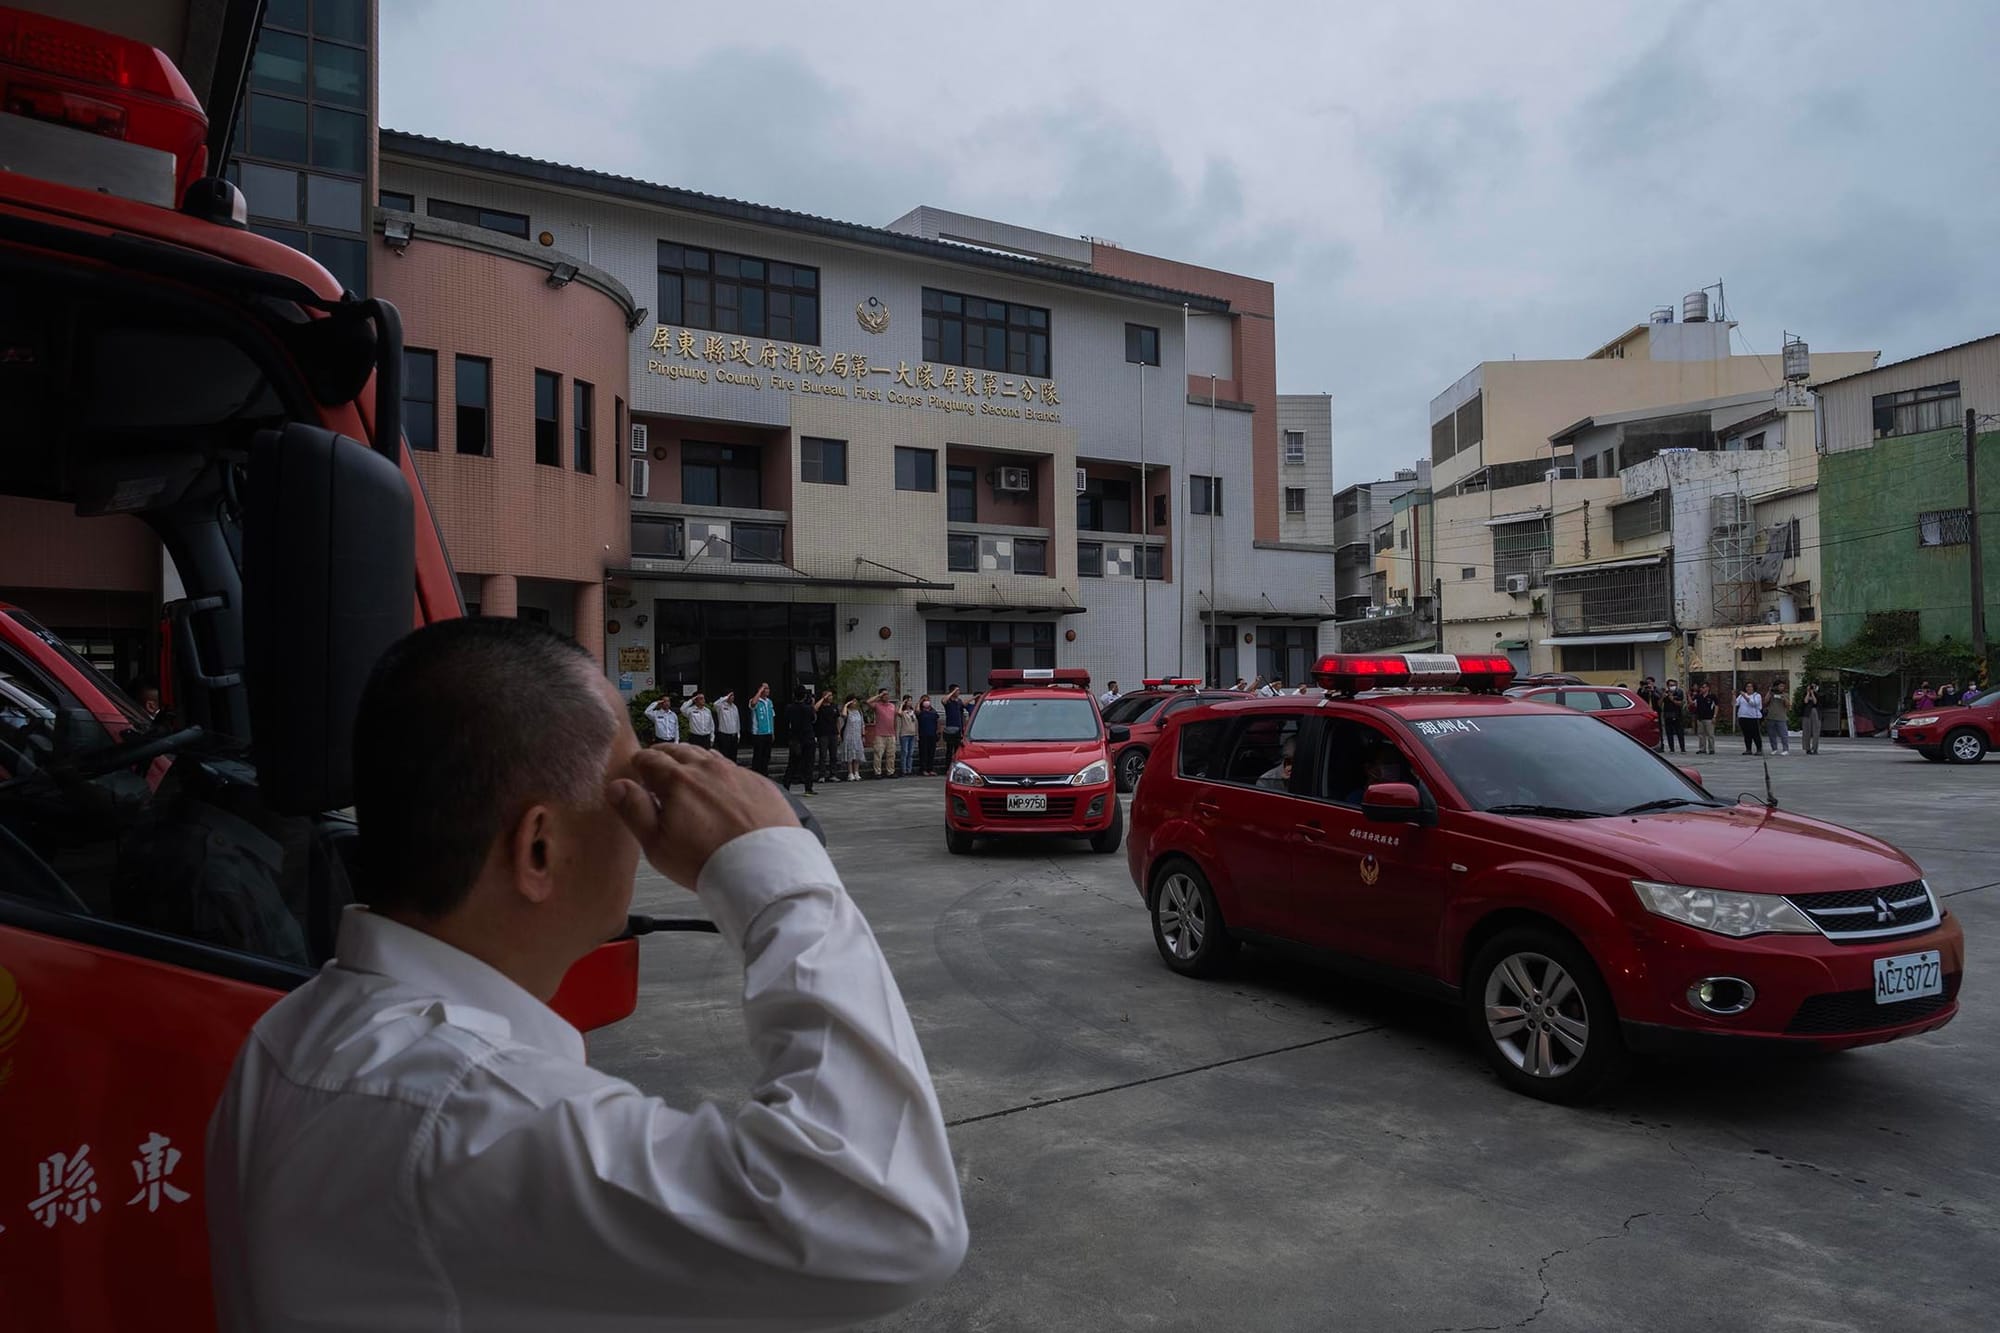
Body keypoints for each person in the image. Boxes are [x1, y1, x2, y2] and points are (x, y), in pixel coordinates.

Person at [205, 617, 965, 1332]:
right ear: (539, 847)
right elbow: (883, 1211)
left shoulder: (289, 1036)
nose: (645, 833)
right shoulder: (463, 1113)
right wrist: (780, 872)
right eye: (629, 796)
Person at [1342, 742, 1408, 804]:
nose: (1393, 767)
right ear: (1369, 768)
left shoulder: (1405, 794)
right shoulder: (1355, 799)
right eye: (1387, 763)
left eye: (1396, 763)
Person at [781, 686, 817, 795]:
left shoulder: (789, 708)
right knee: (808, 764)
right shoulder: (808, 708)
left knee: (792, 764)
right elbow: (813, 719)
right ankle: (808, 788)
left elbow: (786, 720)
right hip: (808, 737)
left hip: (795, 738)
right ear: (805, 696)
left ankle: (786, 786)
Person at [749, 683, 776, 776]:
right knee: (758, 755)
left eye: (768, 688)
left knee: (766, 756)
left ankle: (764, 774)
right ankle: (756, 774)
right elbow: (753, 704)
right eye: (765, 688)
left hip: (768, 732)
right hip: (758, 733)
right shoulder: (756, 700)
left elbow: (772, 717)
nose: (767, 690)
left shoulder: (769, 702)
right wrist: (759, 691)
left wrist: (772, 732)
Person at [869, 690, 898, 778]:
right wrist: (879, 695)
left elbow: (895, 720)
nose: (886, 696)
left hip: (891, 734)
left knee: (891, 754)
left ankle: (890, 771)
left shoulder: (892, 706)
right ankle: (877, 772)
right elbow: (868, 702)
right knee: (878, 754)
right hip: (880, 734)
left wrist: (895, 732)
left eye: (887, 694)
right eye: (884, 695)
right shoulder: (877, 705)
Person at [814, 690, 840, 785]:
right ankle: (822, 775)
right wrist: (823, 699)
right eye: (829, 696)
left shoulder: (834, 706)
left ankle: (833, 774)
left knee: (834, 755)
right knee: (823, 755)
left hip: (833, 733)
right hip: (823, 734)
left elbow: (837, 720)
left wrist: (839, 733)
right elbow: (814, 708)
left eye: (831, 695)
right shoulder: (820, 706)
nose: (831, 697)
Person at [841, 695, 866, 782]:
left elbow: (862, 724)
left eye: (856, 701)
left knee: (857, 754)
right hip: (849, 735)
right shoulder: (847, 711)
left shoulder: (859, 711)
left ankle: (856, 772)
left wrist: (863, 735)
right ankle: (850, 773)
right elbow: (843, 715)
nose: (855, 703)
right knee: (850, 755)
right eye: (853, 701)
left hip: (857, 736)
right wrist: (846, 705)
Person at [941, 685, 966, 770]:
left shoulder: (958, 702)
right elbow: (943, 700)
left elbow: (964, 704)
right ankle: (947, 767)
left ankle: (956, 768)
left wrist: (974, 697)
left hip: (958, 729)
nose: (958, 692)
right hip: (950, 729)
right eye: (957, 690)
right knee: (949, 749)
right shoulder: (948, 702)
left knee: (957, 750)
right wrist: (951, 693)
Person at [1736, 682, 1764, 755]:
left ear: (1753, 688)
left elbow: (1753, 704)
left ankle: (1759, 749)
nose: (1748, 688)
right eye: (1747, 686)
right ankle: (1748, 749)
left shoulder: (1757, 695)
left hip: (1753, 717)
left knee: (1755, 734)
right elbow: (1735, 703)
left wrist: (1745, 696)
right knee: (1746, 734)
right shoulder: (1741, 696)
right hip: (1743, 717)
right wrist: (1733, 695)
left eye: (1750, 686)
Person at [916, 694, 940, 775]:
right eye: (925, 700)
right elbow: (917, 711)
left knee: (931, 752)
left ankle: (930, 769)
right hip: (923, 735)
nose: (926, 702)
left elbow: (937, 721)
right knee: (923, 752)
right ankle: (923, 769)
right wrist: (920, 702)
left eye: (927, 700)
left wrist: (938, 731)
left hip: (932, 734)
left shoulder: (933, 711)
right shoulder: (921, 711)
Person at [714, 690, 741, 764]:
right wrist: (725, 697)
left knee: (733, 757)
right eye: (731, 695)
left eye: (733, 696)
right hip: (724, 735)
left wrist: (738, 734)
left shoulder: (735, 707)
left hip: (734, 735)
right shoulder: (721, 706)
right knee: (724, 757)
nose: (732, 697)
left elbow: (737, 721)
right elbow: (715, 704)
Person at [1765, 678, 1791, 756]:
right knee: (1771, 734)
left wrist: (1784, 699)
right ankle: (1774, 748)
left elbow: (1788, 705)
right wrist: (1769, 691)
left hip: (1781, 717)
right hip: (1771, 717)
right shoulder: (1772, 694)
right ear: (1776, 687)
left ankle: (1785, 749)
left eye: (1783, 686)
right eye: (1780, 686)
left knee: (1783, 735)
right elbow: (1765, 701)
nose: (1782, 688)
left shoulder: (1785, 694)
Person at [1660, 680, 1686, 754]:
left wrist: (1672, 699)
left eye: (1674, 685)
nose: (1672, 687)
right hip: (1667, 715)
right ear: (1667, 686)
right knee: (1669, 733)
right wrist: (1662, 697)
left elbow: (1681, 704)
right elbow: (1659, 704)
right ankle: (1672, 749)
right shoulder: (1665, 693)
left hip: (1677, 715)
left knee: (1680, 732)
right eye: (1671, 685)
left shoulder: (1679, 692)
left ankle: (1682, 748)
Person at [1692, 682, 1719, 755]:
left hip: (1709, 718)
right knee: (1701, 734)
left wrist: (1714, 716)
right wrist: (1688, 695)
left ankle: (1711, 749)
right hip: (1700, 718)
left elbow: (1716, 706)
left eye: (1704, 687)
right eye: (1701, 687)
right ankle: (1702, 749)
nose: (1702, 689)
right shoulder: (1698, 696)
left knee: (1710, 734)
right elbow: (1692, 703)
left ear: (1708, 688)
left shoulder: (1712, 696)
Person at [897, 694, 918, 776]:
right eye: (908, 701)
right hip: (904, 734)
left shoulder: (912, 712)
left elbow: (915, 723)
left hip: (912, 734)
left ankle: (909, 769)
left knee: (910, 752)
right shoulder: (903, 712)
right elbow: (898, 713)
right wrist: (902, 704)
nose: (910, 702)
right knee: (904, 752)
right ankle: (904, 770)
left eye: (910, 700)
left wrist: (917, 734)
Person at [1801, 681, 1823, 755]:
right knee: (1806, 732)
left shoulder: (1818, 694)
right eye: (1811, 686)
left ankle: (1815, 748)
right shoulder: (1805, 693)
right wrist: (1808, 692)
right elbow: (1805, 701)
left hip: (1816, 712)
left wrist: (1813, 693)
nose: (1812, 688)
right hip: (1807, 713)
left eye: (1813, 686)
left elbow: (1815, 702)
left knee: (1816, 732)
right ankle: (1807, 748)